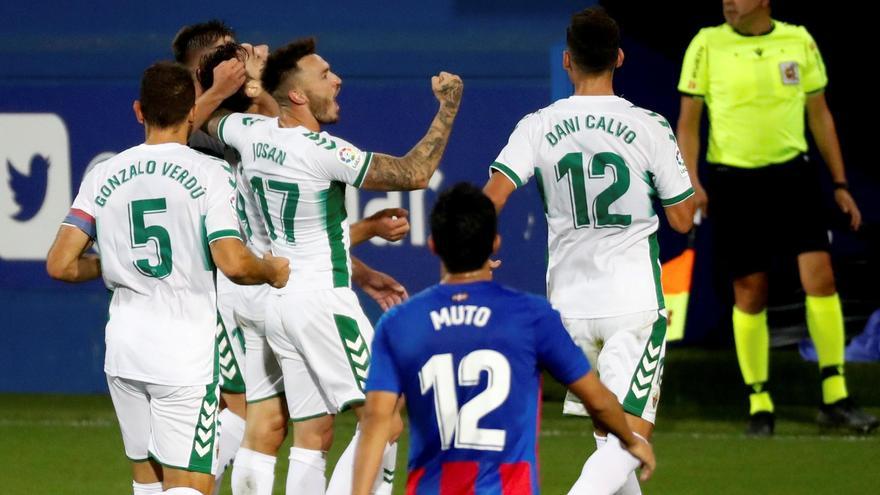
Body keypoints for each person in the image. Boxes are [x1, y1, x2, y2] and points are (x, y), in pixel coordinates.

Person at [207, 37, 462, 494]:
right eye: (325, 74)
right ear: (298, 95)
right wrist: (449, 106)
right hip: (322, 301)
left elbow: (205, 118)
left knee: (311, 435)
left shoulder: (251, 133)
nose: (337, 79)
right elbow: (414, 173)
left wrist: (244, 80)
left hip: (281, 304)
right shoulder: (320, 151)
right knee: (384, 418)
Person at [45, 61, 290, 495]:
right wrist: (271, 270)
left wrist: (111, 263)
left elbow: (61, 264)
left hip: (124, 352)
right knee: (190, 484)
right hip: (183, 355)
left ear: (139, 111)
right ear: (192, 113)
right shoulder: (210, 174)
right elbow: (232, 262)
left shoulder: (103, 175)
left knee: (148, 479)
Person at [483, 7, 694, 494]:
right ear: (618, 58)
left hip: (568, 308)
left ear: (567, 61)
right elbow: (682, 218)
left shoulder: (538, 124)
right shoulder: (649, 126)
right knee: (630, 440)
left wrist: (481, 246)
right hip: (633, 303)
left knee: (608, 439)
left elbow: (492, 195)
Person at [354, 183, 655, 495]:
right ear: (495, 243)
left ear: (433, 245)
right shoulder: (531, 316)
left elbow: (376, 422)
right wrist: (632, 441)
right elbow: (598, 401)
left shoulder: (399, 323)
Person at [675, 0, 878, 435]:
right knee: (750, 292)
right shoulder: (706, 44)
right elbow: (688, 124)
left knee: (820, 278)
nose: (730, 2)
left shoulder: (799, 39)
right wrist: (691, 182)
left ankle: (835, 396)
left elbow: (819, 114)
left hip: (794, 178)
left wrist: (840, 184)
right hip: (734, 184)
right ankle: (760, 404)